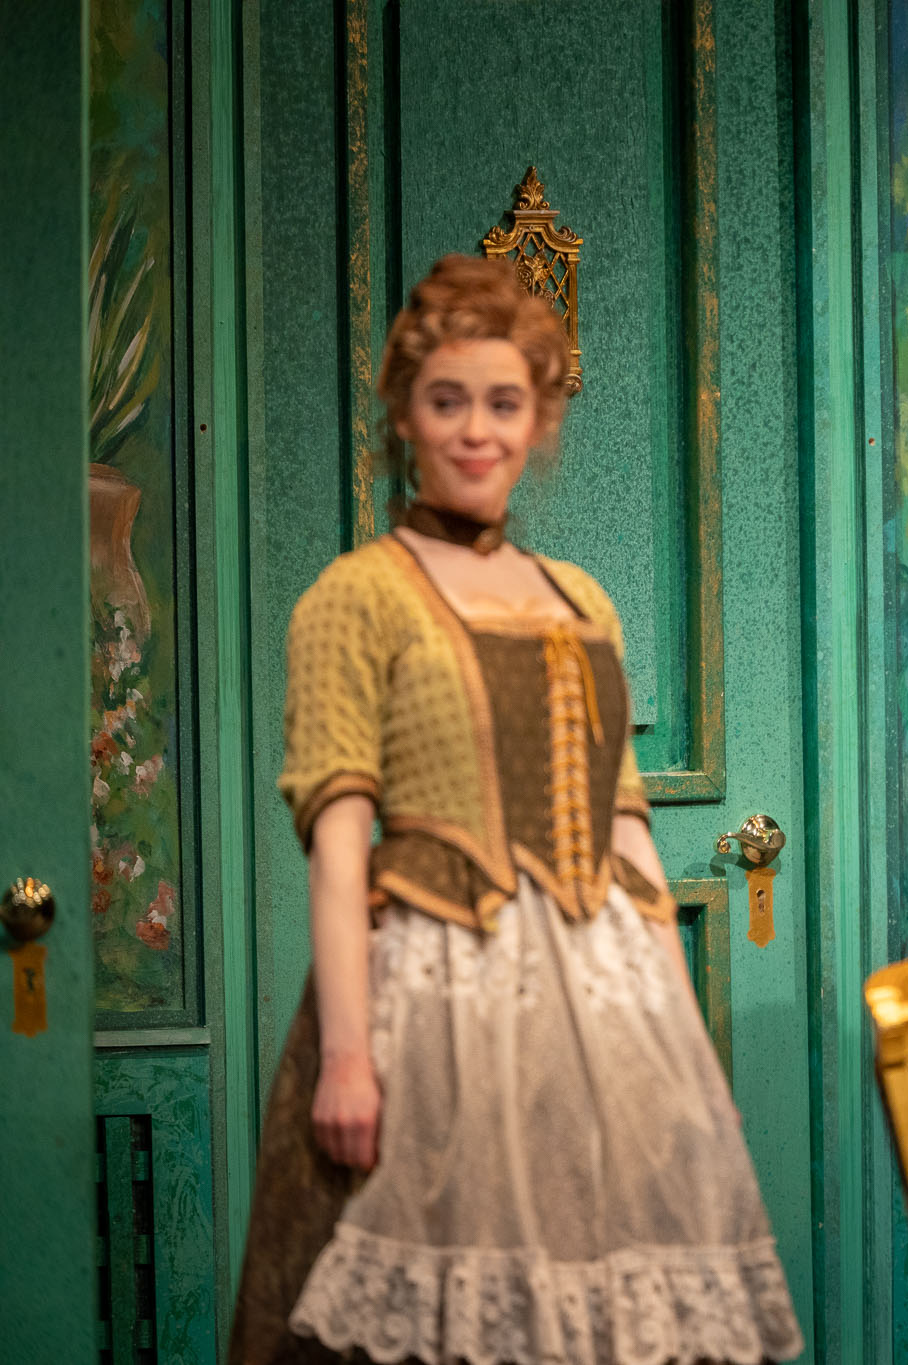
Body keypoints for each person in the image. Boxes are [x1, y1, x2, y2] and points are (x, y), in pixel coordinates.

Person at [228, 255, 803, 1365]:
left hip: (600, 1016)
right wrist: (346, 1057)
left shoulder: (580, 598)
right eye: (448, 401)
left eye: (503, 403)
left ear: (538, 421)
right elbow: (339, 849)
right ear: (405, 415)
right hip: (433, 1002)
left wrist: (690, 1059)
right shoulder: (356, 595)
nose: (476, 430)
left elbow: (628, 838)